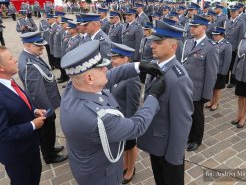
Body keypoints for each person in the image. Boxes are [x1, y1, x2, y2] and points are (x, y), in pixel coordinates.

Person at [60, 40, 165, 185]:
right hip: (102, 176)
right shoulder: (97, 119)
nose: (106, 69)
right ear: (89, 78)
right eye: (101, 68)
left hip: (84, 166)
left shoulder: (74, 87)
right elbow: (137, 126)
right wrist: (153, 97)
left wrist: (138, 66)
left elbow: (110, 76)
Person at [138, 20, 193, 185]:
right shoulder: (155, 66)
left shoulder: (178, 79)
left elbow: (182, 122)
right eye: (153, 41)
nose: (152, 45)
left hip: (167, 150)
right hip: (156, 144)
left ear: (173, 47)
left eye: (158, 42)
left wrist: (174, 157)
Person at [18, 32, 68, 164]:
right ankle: (49, 156)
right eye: (38, 47)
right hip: (43, 107)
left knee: (49, 131)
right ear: (28, 45)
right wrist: (47, 110)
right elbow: (36, 92)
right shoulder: (29, 64)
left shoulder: (32, 55)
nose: (42, 49)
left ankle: (51, 147)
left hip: (46, 104)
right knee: (46, 131)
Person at [0, 46, 46, 185]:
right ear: (1, 68)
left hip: (29, 146)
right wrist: (32, 125)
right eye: (10, 59)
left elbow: (19, 102)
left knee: (34, 178)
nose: (15, 60)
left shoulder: (9, 81)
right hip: (17, 154)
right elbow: (2, 133)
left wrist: (33, 111)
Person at [181, 15, 219, 152]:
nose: (192, 28)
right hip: (185, 86)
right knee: (187, 113)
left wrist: (207, 94)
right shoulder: (189, 42)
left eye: (195, 26)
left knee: (197, 115)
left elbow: (211, 74)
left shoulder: (210, 47)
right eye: (191, 26)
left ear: (204, 28)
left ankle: (197, 139)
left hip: (197, 88)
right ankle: (189, 135)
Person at [109, 43, 141, 184]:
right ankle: (126, 163)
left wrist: (129, 125)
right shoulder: (115, 72)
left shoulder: (132, 77)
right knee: (124, 145)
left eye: (115, 58)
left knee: (130, 144)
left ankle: (131, 169)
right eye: (112, 57)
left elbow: (133, 103)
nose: (112, 61)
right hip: (116, 119)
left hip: (126, 120)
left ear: (125, 59)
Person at [206, 27, 232, 111]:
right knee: (211, 87)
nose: (214, 36)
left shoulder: (227, 45)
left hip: (219, 71)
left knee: (217, 88)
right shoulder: (212, 43)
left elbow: (227, 61)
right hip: (211, 70)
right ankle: (211, 100)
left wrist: (223, 73)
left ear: (221, 35)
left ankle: (216, 102)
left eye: (216, 35)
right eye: (213, 35)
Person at [224, 5, 246, 88]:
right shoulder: (227, 21)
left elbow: (241, 37)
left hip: (234, 48)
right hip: (226, 46)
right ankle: (225, 79)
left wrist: (238, 48)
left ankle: (232, 81)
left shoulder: (241, 22)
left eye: (234, 12)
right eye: (231, 11)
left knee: (233, 65)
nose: (232, 13)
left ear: (237, 12)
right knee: (226, 63)